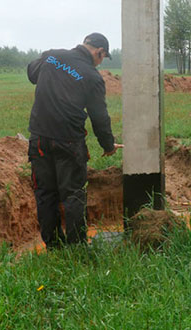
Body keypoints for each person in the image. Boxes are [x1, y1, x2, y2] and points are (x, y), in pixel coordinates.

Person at [27, 32, 122, 248]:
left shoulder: (51, 56)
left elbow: (32, 74)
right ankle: (77, 247)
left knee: (45, 192)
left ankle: (53, 245)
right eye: (102, 59)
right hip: (69, 142)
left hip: (39, 138)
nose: (99, 64)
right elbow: (99, 116)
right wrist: (108, 145)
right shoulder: (92, 77)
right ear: (99, 52)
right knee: (73, 194)